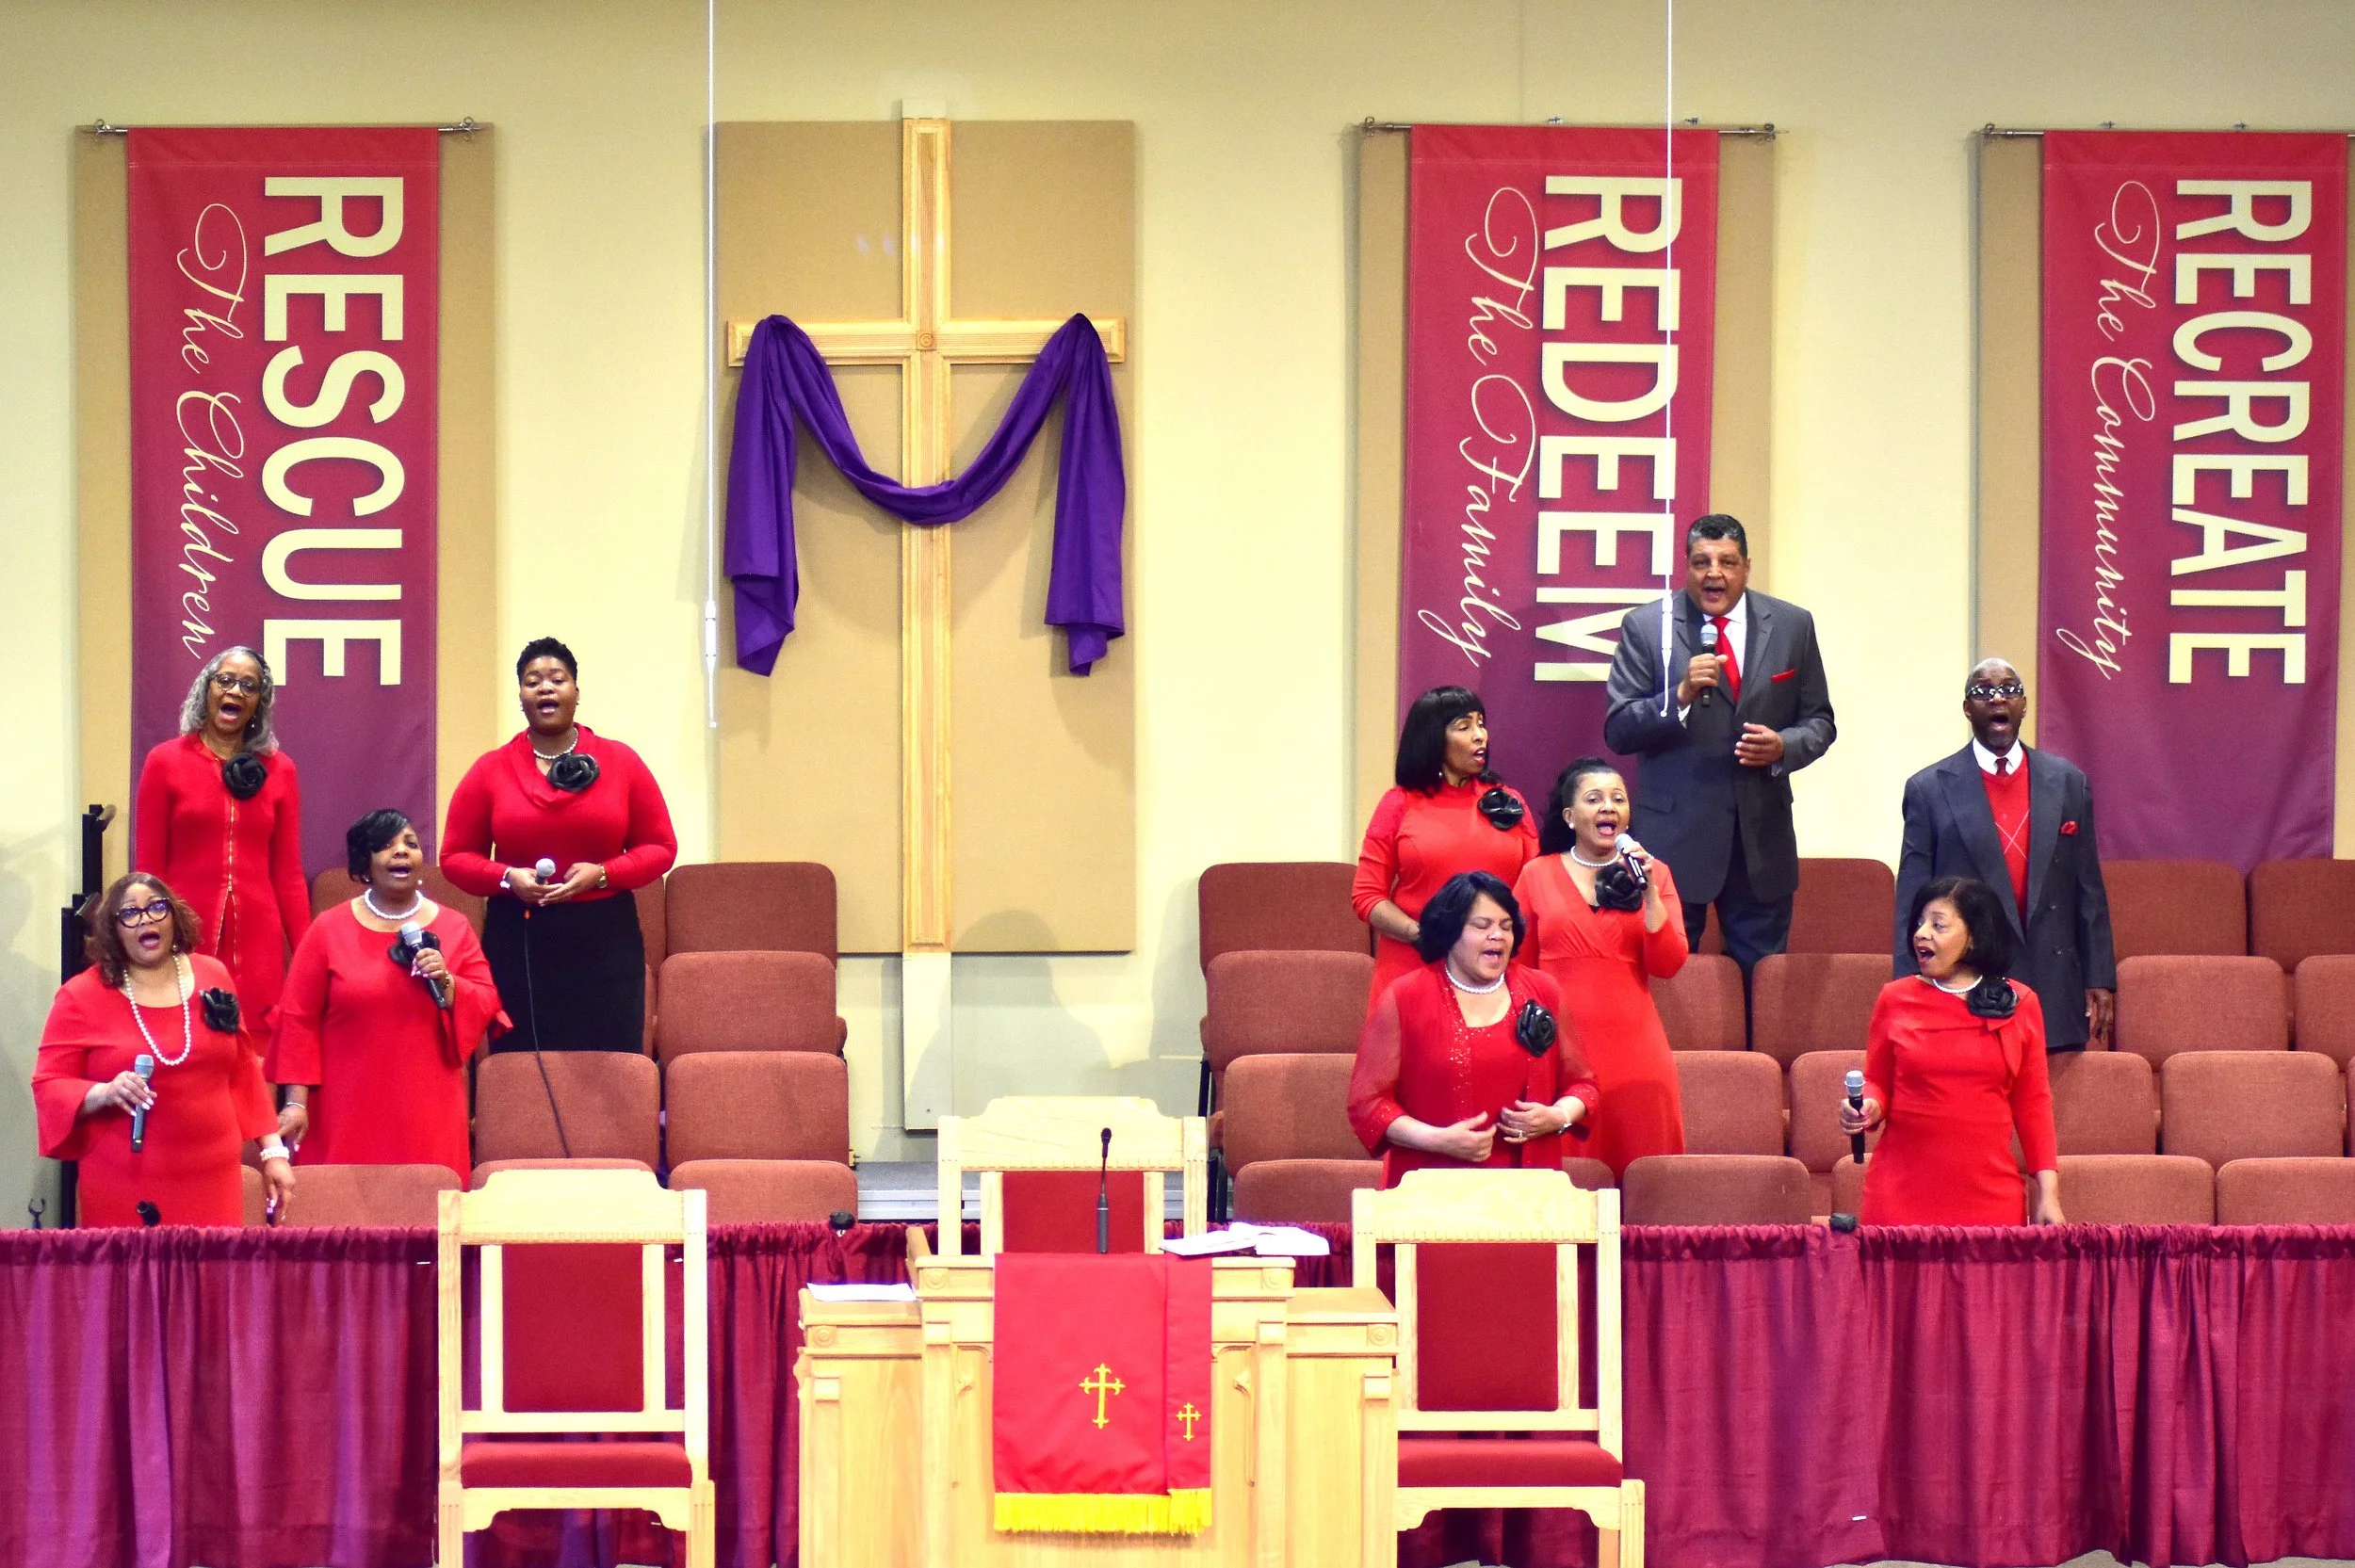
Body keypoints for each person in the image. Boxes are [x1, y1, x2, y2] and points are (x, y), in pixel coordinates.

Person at [1602, 515, 1836, 971]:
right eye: (1701, 562)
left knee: (1763, 984)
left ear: (1747, 566)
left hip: (1761, 842)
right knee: (1670, 981)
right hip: (1673, 842)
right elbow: (1619, 729)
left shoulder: (1792, 625)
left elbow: (1820, 721)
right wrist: (1678, 697)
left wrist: (1784, 746)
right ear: (1686, 566)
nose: (1714, 574)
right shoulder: (1647, 626)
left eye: (1727, 562)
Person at [441, 638, 677, 1051]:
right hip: (519, 935)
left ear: (576, 692)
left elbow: (660, 847)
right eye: (532, 681)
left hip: (605, 938)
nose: (545, 688)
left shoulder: (621, 761)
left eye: (557, 679)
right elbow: (455, 857)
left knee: (608, 1066)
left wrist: (603, 874)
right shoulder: (491, 769)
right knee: (523, 1066)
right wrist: (506, 877)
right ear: (521, 697)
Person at [33, 873, 292, 1227]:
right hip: (125, 1180)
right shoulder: (80, 996)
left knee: (211, 1264)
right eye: (130, 913)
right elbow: (49, 1084)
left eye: (156, 907)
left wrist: (274, 1152)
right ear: (113, 930)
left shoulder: (213, 975)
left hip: (213, 1178)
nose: (146, 919)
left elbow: (244, 1069)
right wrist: (104, 1092)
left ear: (174, 916)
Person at [268, 811, 507, 1182]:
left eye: (411, 844)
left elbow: (487, 1002)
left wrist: (447, 982)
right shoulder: (328, 928)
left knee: (426, 1203)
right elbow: (298, 1019)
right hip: (344, 1107)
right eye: (386, 845)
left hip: (428, 1108)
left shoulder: (454, 927)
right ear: (365, 863)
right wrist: (296, 1103)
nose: (402, 852)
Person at [1894, 657, 2117, 1049]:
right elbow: (1912, 901)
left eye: (2009, 690)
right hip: (1967, 980)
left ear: (2024, 705)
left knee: (2047, 1091)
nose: (1998, 699)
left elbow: (2088, 890)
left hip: (2053, 983)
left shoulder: (2068, 782)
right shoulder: (1928, 789)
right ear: (1967, 708)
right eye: (1984, 692)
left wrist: (2098, 975)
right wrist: (1909, 986)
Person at [1348, 870, 1599, 1188]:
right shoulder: (1405, 997)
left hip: (1531, 1193)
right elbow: (1368, 1105)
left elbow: (1583, 1086)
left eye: (1506, 926)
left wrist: (1558, 1117)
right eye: (1482, 926)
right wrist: (1436, 1139)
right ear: (1450, 933)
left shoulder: (1543, 990)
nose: (1497, 935)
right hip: (1431, 1190)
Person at [1842, 877, 2063, 1226]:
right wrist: (1868, 1106)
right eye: (1919, 923)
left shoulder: (2022, 1002)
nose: (1921, 933)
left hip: (1990, 1197)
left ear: (1973, 936)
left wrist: (2049, 1195)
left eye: (1938, 925)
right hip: (1900, 1194)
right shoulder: (1895, 998)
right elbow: (1878, 1082)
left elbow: (2033, 1104)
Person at [1513, 758, 1689, 1175]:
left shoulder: (1656, 874)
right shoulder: (1536, 873)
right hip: (1558, 1050)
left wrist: (1649, 893)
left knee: (1642, 1181)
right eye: (1594, 799)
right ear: (1570, 817)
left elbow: (1668, 963)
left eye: (1618, 799)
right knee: (1568, 1183)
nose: (1608, 807)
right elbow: (1515, 969)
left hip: (1637, 1056)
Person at [135, 646, 312, 1026]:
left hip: (258, 937)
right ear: (207, 689)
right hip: (185, 930)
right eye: (225, 680)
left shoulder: (281, 770)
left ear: (260, 702)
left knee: (257, 1040)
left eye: (249, 685)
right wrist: (151, 932)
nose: (235, 691)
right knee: (187, 1034)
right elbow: (149, 870)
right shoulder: (164, 761)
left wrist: (308, 954)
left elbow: (288, 875)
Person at [1353, 687, 1541, 1004]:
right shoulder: (1398, 804)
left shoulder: (1509, 801)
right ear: (1433, 739)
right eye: (1464, 726)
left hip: (1496, 971)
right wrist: (1423, 935)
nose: (1480, 735)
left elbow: (1536, 890)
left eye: (1481, 724)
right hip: (1416, 967)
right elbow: (1367, 896)